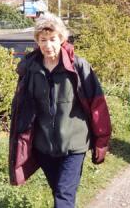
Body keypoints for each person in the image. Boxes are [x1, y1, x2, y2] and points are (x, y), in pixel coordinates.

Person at [9, 13, 112, 207]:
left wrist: (102, 141)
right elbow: (22, 109)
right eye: (43, 40)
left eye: (52, 39)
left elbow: (98, 106)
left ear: (62, 39)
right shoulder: (30, 69)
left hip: (74, 145)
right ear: (37, 42)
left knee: (63, 197)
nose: (48, 45)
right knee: (59, 192)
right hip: (43, 146)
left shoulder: (78, 67)